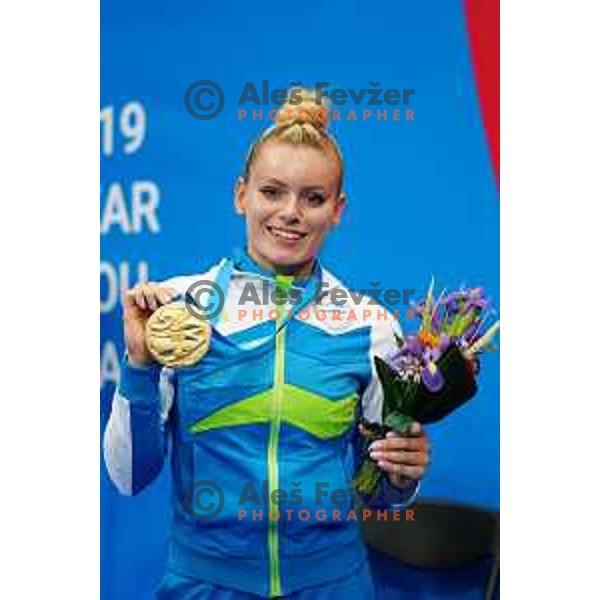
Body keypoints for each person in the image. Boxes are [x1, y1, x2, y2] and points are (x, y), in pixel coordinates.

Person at [103, 92, 430, 599]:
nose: (290, 213)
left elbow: (382, 495)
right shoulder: (179, 308)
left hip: (333, 585)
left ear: (337, 209)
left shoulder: (370, 326)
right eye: (272, 192)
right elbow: (128, 477)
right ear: (241, 195)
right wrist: (140, 365)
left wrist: (402, 474)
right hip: (205, 584)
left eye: (313, 198)